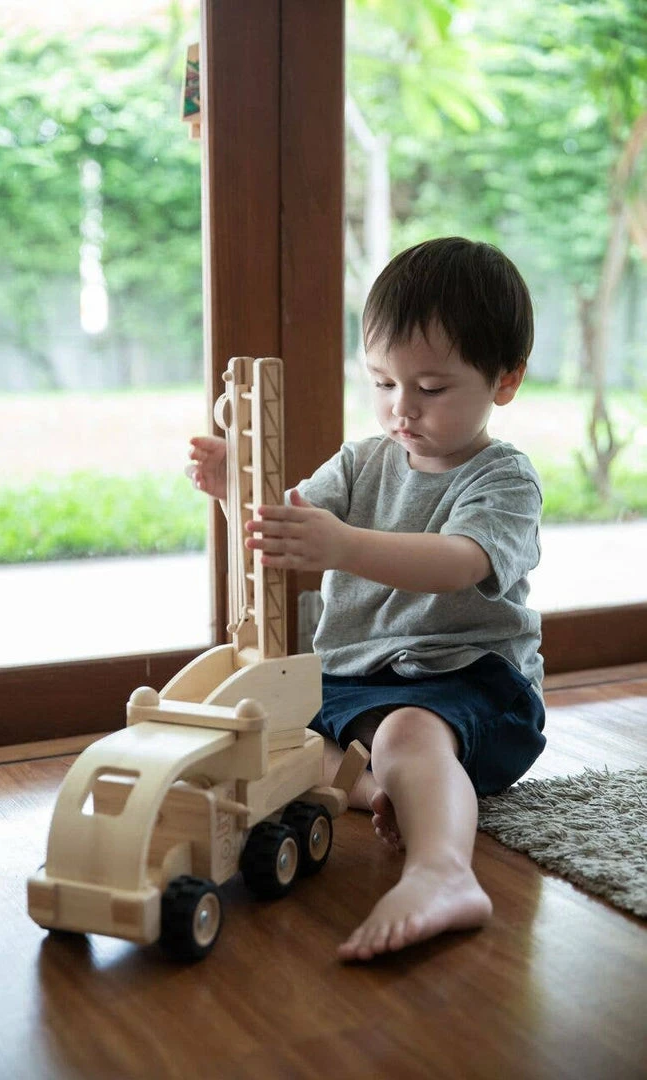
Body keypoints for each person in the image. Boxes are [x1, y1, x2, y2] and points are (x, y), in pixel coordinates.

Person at [187, 236, 545, 962]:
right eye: (382, 382)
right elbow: (283, 531)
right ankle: (384, 788)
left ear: (505, 381)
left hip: (470, 686)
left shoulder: (503, 478)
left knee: (406, 732)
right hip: (354, 682)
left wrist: (344, 546)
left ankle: (443, 873)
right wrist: (237, 492)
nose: (400, 408)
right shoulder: (360, 462)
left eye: (430, 388)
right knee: (271, 736)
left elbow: (461, 562)